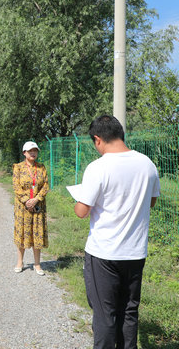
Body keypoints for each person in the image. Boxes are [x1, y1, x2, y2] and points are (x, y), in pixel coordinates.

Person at [73, 115, 160, 349]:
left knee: (104, 315)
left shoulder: (98, 167)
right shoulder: (147, 164)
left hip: (104, 253)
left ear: (98, 139)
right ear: (120, 134)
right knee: (129, 312)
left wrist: (80, 199)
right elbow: (150, 203)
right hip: (135, 252)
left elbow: (82, 211)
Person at [12, 141, 49, 275]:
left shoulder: (41, 167)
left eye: (35, 150)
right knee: (22, 233)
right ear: (24, 153)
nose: (33, 153)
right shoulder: (18, 167)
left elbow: (45, 185)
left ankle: (37, 264)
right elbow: (16, 186)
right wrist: (27, 201)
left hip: (38, 206)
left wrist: (36, 199)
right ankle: (20, 262)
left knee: (37, 233)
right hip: (23, 207)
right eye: (30, 151)